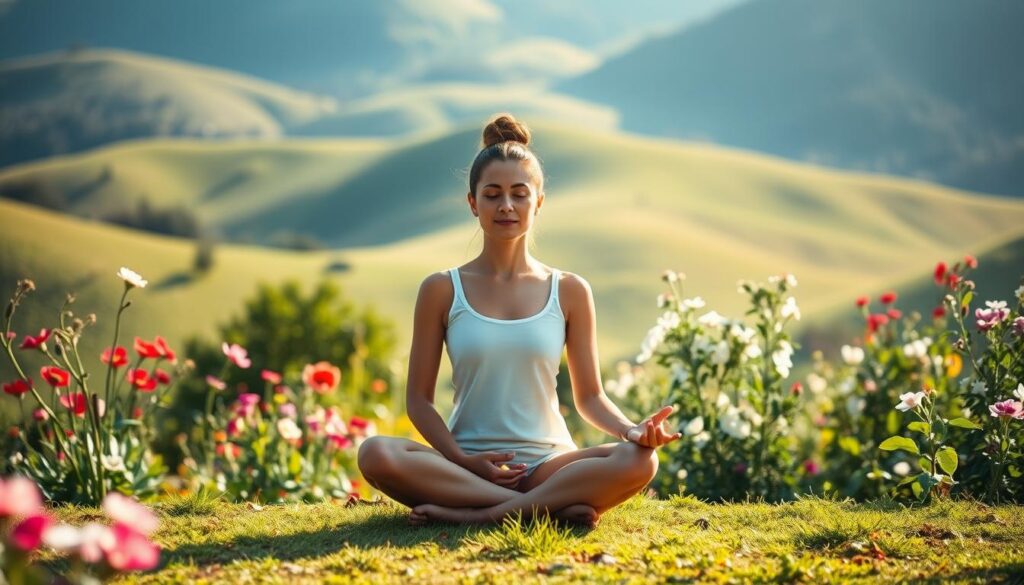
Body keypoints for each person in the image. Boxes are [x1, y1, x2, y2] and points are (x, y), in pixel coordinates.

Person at [357, 113, 681, 527]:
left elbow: (590, 397)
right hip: (466, 466)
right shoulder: (441, 289)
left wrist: (631, 431)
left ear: (538, 202)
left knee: (641, 460)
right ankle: (548, 508)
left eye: (519, 194)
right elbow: (418, 402)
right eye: (492, 194)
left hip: (549, 464)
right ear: (472, 203)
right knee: (376, 453)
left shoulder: (570, 290)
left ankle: (484, 514)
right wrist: (463, 461)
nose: (506, 206)